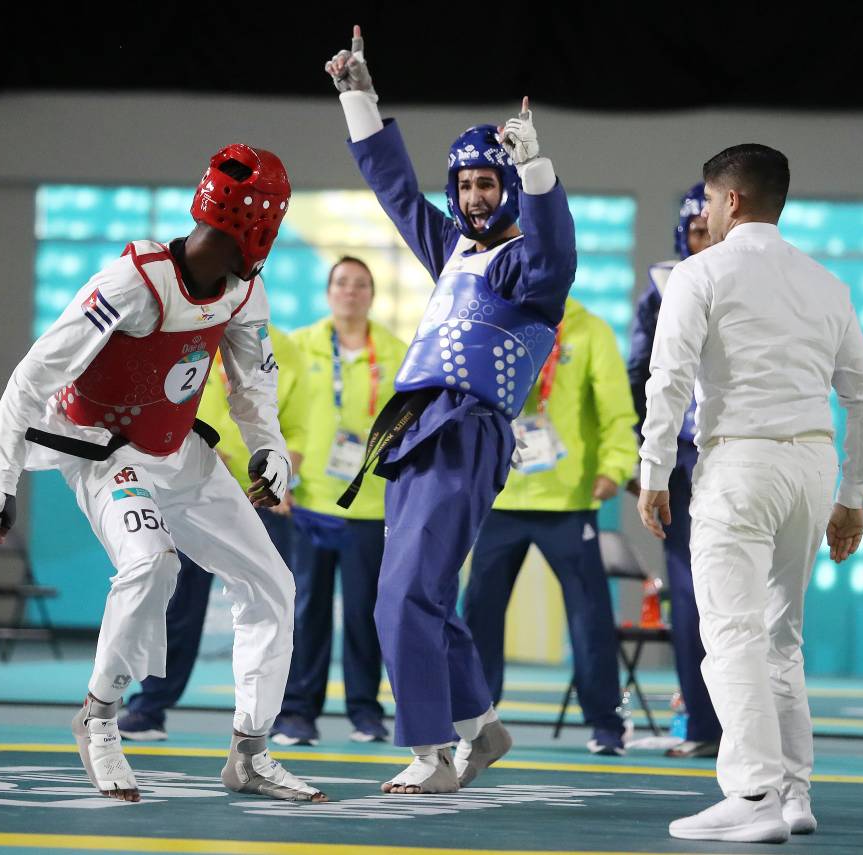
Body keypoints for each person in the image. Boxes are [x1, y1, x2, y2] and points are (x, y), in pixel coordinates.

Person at [0, 144, 327, 803]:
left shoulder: (245, 289)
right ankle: (97, 719)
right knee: (153, 562)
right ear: (256, 224)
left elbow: (253, 385)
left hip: (179, 451)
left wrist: (267, 448)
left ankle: (250, 750)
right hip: (103, 453)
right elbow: (33, 374)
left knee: (271, 581)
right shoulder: (132, 282)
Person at [324, 26, 576, 794]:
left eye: (487, 184)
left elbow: (555, 247)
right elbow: (395, 187)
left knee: (402, 596)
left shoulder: (528, 270)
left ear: (507, 192)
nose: (473, 197)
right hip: (411, 431)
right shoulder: (453, 251)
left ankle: (430, 750)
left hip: (465, 430)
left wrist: (535, 166)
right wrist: (358, 96)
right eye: (464, 184)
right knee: (420, 594)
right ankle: (481, 728)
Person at [637, 144, 863, 843]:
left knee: (731, 635)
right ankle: (795, 793)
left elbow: (670, 379)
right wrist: (853, 493)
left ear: (731, 201)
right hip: (810, 466)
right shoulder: (825, 283)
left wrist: (654, 470)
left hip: (737, 464)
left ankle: (750, 793)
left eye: (709, 201)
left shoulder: (699, 272)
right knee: (780, 639)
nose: (706, 213)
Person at [463, 295, 637, 756]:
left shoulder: (589, 329)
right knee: (479, 609)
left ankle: (605, 724)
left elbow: (617, 411)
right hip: (501, 496)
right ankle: (473, 720)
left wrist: (615, 466)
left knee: (589, 615)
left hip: (568, 499)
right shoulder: (497, 320)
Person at [118, 326, 306, 742]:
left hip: (262, 497)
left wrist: (281, 475)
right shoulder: (186, 337)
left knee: (275, 598)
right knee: (178, 605)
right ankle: (150, 709)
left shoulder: (282, 349)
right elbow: (156, 408)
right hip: (193, 492)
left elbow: (297, 427)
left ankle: (286, 714)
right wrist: (193, 455)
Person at [271, 256, 409, 747]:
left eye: (361, 284)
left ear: (371, 295)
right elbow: (272, 413)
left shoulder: (395, 352)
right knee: (304, 612)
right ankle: (296, 713)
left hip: (368, 508)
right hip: (307, 501)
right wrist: (277, 478)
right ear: (329, 292)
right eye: (342, 283)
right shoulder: (297, 345)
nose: (351, 291)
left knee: (363, 614)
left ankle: (365, 712)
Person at [626, 183, 722, 759]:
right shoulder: (665, 284)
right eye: (695, 233)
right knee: (687, 591)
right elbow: (641, 368)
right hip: (686, 453)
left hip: (742, 451)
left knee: (750, 595)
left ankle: (760, 728)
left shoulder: (755, 275)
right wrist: (650, 455)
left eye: (711, 231)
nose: (703, 242)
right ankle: (704, 723)